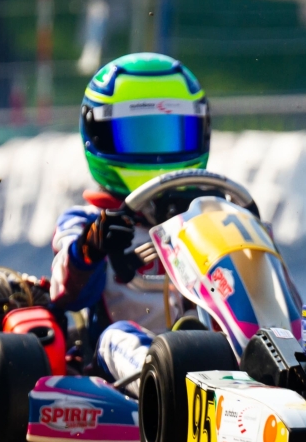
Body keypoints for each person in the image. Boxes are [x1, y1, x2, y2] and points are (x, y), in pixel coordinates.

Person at [50, 52, 212, 384]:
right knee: (118, 336)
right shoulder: (86, 222)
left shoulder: (207, 215)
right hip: (120, 371)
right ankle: (164, 384)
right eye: (140, 136)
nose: (158, 154)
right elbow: (66, 293)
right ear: (99, 136)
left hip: (210, 353)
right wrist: (91, 249)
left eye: (171, 135)